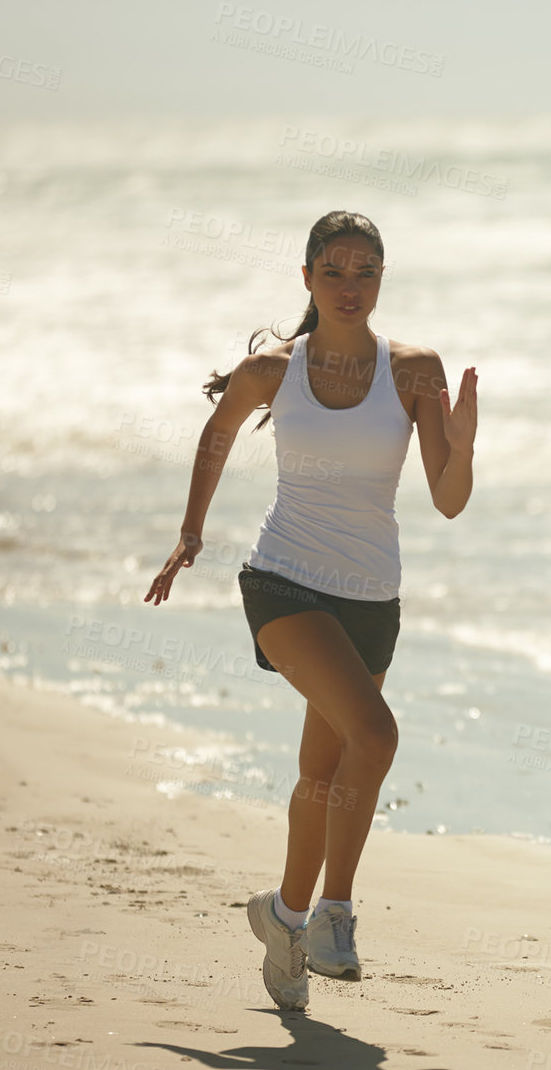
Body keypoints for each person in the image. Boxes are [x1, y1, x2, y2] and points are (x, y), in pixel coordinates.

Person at [144, 210, 477, 1011]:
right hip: (283, 581)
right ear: (306, 279)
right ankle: (334, 913)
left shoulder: (412, 368)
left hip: (372, 596)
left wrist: (460, 445)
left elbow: (450, 501)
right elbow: (216, 434)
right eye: (334, 271)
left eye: (366, 271)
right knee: (377, 734)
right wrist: (192, 533)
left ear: (383, 278)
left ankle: (282, 918)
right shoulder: (272, 370)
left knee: (323, 772)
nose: (350, 285)